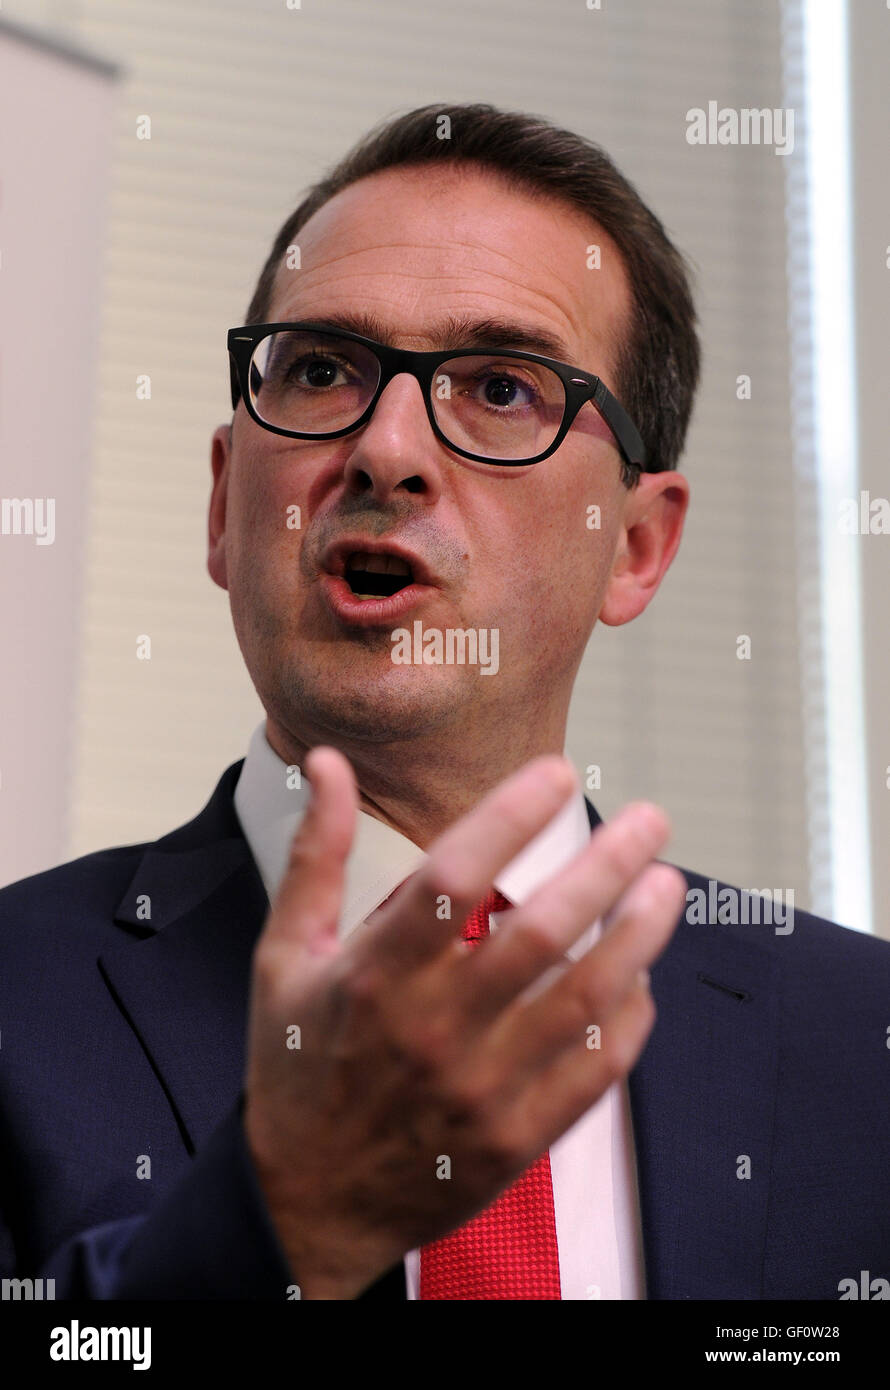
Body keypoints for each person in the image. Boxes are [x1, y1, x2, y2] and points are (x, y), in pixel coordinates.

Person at [1, 103, 888, 1302]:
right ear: (224, 505)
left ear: (633, 545)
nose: (385, 449)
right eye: (320, 370)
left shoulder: (859, 1044)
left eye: (501, 388)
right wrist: (284, 1226)